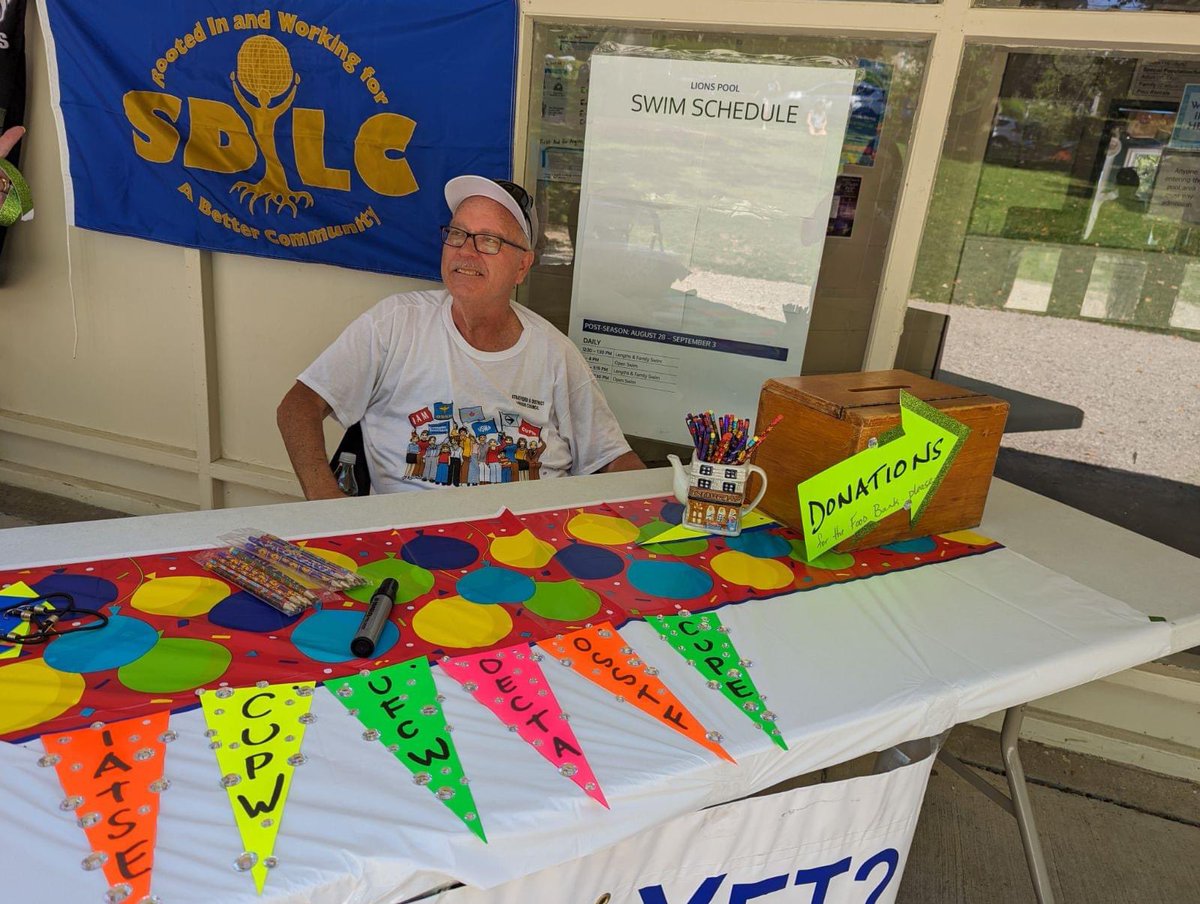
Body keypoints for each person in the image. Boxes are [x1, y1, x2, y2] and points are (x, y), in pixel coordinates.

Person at [277, 175, 644, 498]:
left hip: (528, 548)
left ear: (522, 266)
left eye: (488, 240)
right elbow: (298, 406)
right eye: (457, 233)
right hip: (409, 546)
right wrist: (326, 497)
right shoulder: (395, 323)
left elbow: (612, 459)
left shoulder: (555, 355)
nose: (465, 251)